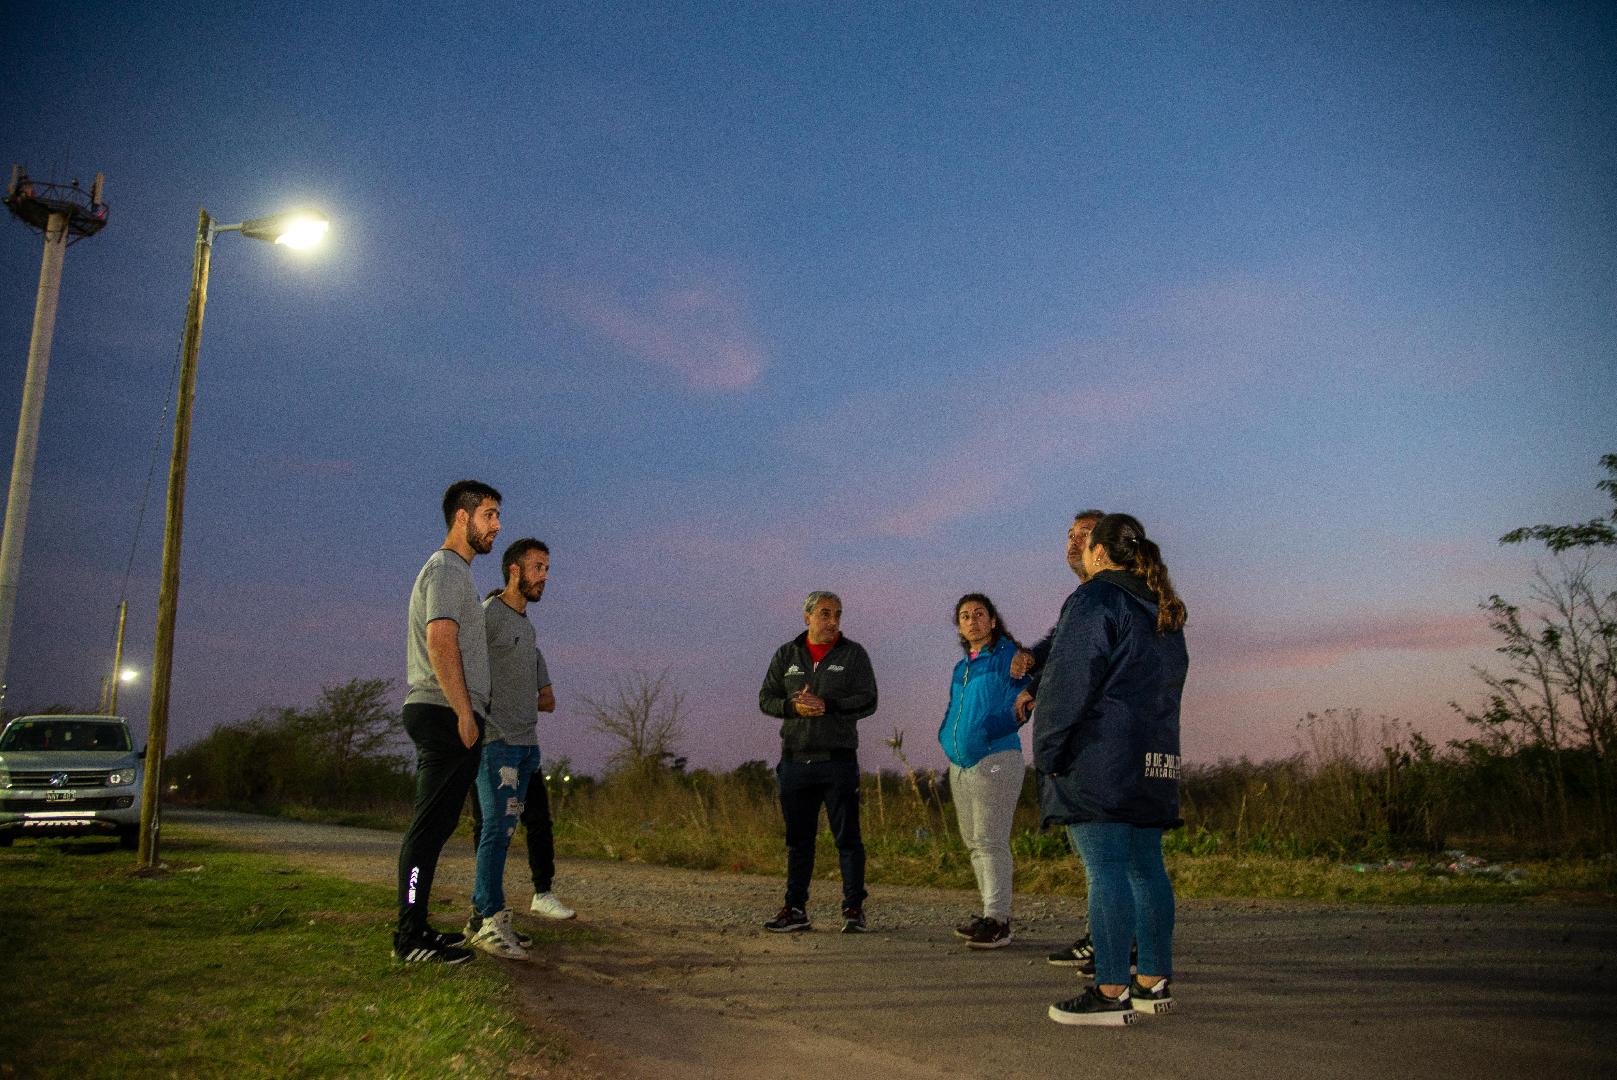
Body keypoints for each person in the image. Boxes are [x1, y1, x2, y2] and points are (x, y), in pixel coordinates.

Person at [1033, 513, 1188, 1026]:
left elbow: (1067, 684)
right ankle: (1153, 979)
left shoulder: (1096, 598)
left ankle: (1111, 990)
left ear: (1100, 552)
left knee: (1105, 870)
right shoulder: (1159, 607)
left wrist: (1051, 753)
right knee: (1146, 867)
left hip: (1101, 758)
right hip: (1152, 760)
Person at [394, 480, 501, 964]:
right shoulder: (445, 569)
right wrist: (463, 712)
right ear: (463, 517)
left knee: (436, 829)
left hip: (448, 710)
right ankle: (409, 937)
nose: (496, 526)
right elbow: (440, 640)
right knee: (427, 828)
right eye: (489, 515)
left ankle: (417, 928)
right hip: (442, 711)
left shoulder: (459, 574)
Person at [467, 538, 576, 952]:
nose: (544, 576)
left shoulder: (527, 628)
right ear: (514, 570)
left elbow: (544, 696)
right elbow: (463, 665)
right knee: (495, 829)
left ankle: (484, 917)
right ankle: (489, 919)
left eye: (547, 568)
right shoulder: (488, 615)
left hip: (527, 746)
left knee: (514, 827)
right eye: (537, 567)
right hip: (497, 741)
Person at [757, 591, 878, 933]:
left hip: (837, 762)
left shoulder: (853, 655)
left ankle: (853, 909)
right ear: (807, 616)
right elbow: (766, 698)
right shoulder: (787, 655)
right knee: (799, 840)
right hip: (795, 762)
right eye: (825, 614)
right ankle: (795, 910)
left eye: (838, 614)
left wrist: (828, 704)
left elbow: (869, 700)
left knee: (848, 839)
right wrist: (792, 707)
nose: (833, 621)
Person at [939, 594, 1029, 949]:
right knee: (974, 842)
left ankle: (999, 920)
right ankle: (989, 914)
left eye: (979, 614)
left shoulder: (1009, 656)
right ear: (959, 626)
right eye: (965, 616)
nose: (972, 620)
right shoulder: (961, 669)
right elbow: (954, 709)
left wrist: (986, 730)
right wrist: (946, 735)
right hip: (960, 764)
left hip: (996, 758)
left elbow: (1024, 702)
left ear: (993, 620)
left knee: (990, 840)